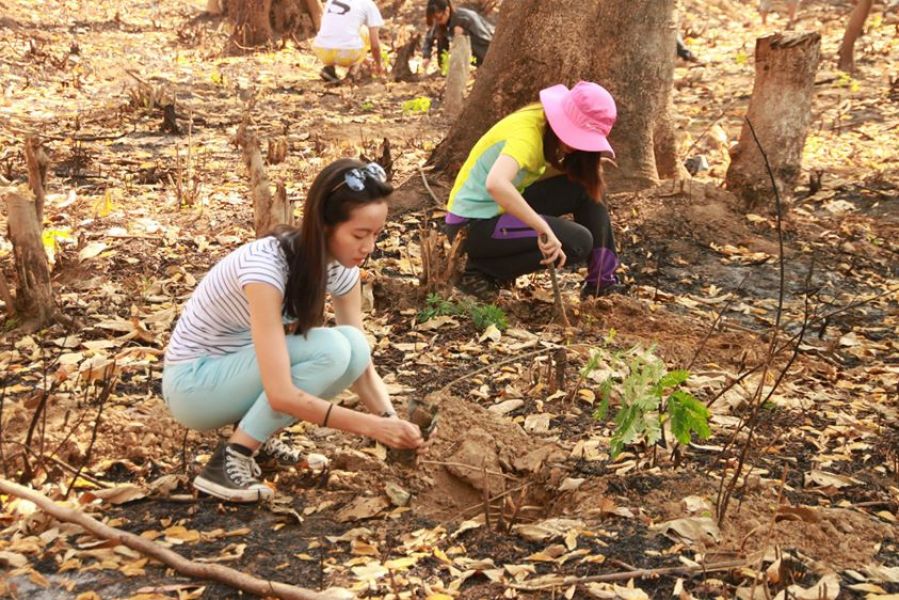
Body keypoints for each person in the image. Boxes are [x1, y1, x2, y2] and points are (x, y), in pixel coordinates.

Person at [162, 159, 424, 502]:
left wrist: (392, 424)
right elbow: (281, 393)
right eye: (359, 235)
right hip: (193, 387)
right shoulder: (266, 269)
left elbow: (362, 367)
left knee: (354, 347)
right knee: (331, 350)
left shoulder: (340, 269)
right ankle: (230, 461)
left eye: (376, 234)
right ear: (325, 227)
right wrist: (372, 427)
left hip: (234, 376)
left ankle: (256, 438)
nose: (369, 247)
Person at [444, 81, 622, 300]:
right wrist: (542, 228)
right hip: (472, 226)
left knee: (587, 184)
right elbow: (496, 183)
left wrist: (577, 170)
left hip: (499, 211)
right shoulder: (526, 134)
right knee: (577, 242)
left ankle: (602, 283)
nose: (577, 145)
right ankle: (479, 272)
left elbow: (529, 173)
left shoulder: (542, 122)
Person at [313, 0, 384, 83]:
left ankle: (329, 68)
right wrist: (379, 64)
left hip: (321, 50)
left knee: (339, 26)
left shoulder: (331, 1)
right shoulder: (368, 4)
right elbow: (375, 46)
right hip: (347, 54)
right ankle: (352, 74)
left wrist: (364, 59)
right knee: (364, 31)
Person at [421, 0, 494, 73]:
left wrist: (465, 33)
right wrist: (426, 56)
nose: (437, 22)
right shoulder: (439, 23)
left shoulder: (466, 18)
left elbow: (486, 39)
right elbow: (428, 39)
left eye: (439, 18)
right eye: (434, 19)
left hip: (485, 55)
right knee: (440, 36)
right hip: (471, 61)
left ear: (447, 10)